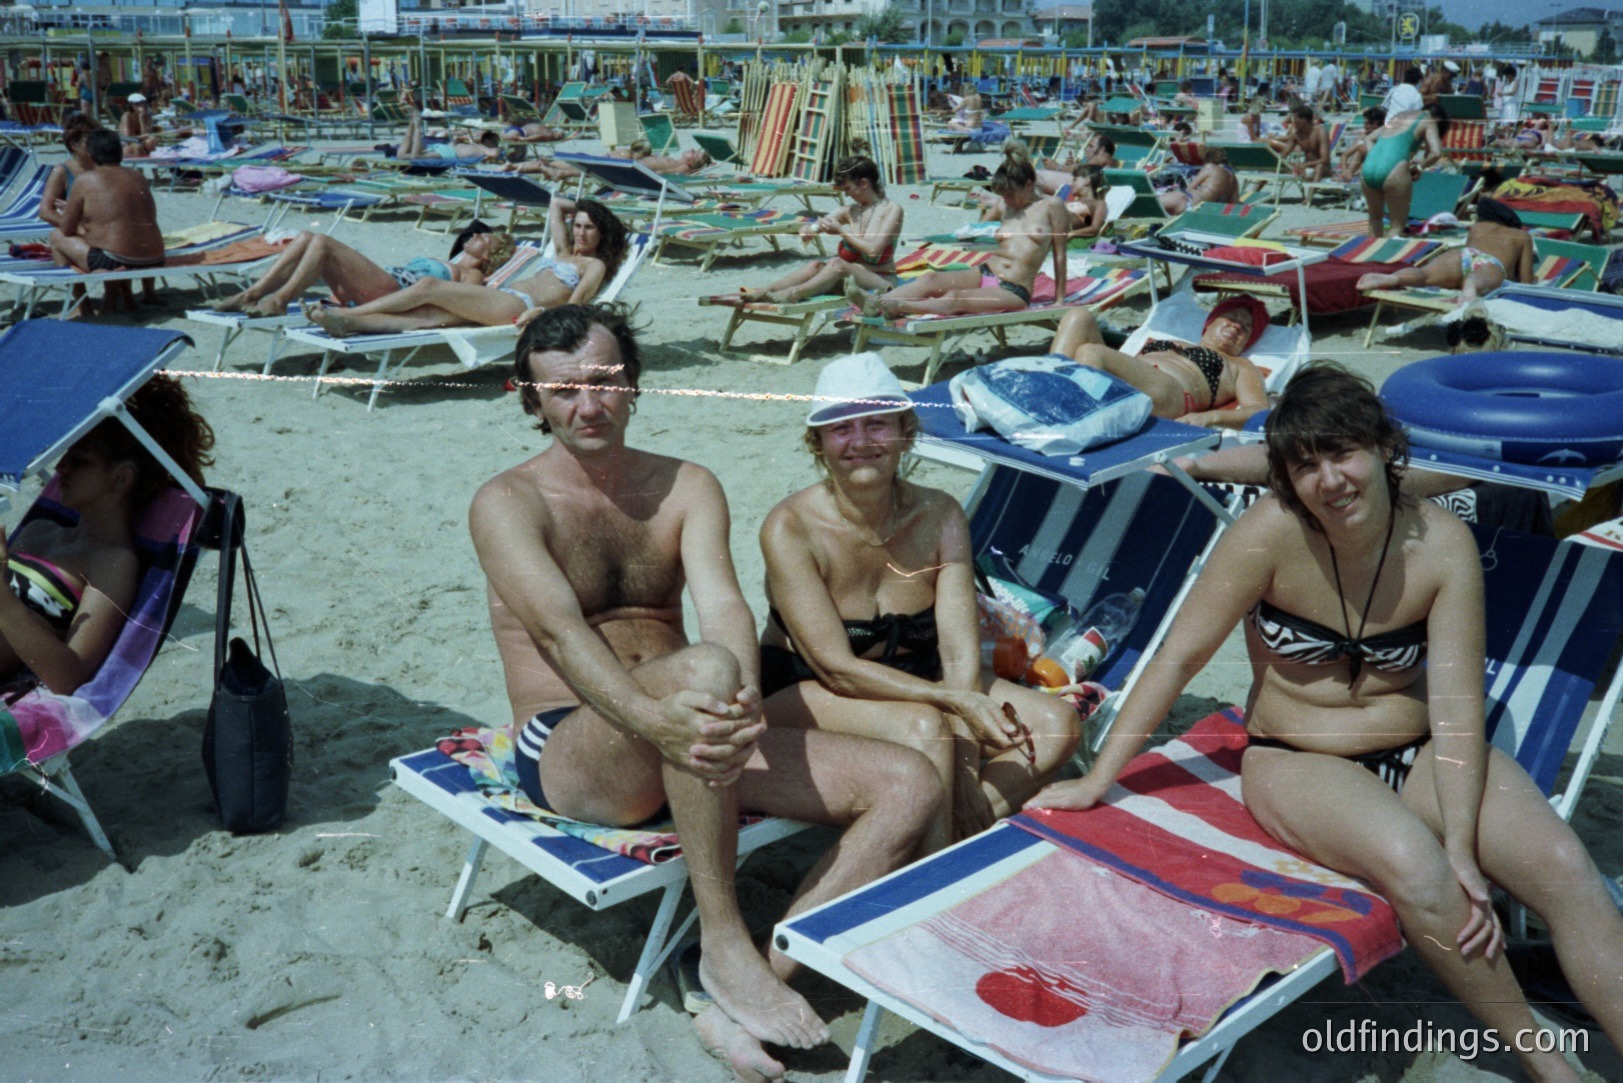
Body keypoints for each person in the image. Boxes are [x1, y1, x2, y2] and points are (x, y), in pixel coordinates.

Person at [1029, 362, 1623, 1083]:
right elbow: (1177, 657)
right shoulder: (1265, 535)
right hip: (1296, 756)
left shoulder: (1439, 543)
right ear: (1283, 476)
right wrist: (1098, 777)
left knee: (1567, 872)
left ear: (1382, 448)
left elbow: (1459, 706)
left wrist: (1467, 846)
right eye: (1304, 465)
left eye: (1342, 452)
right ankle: (1550, 1066)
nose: (1329, 480)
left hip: (1425, 746)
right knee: (1414, 864)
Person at [473, 304, 940, 1080]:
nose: (586, 406)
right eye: (561, 392)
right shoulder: (507, 502)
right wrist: (660, 717)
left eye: (603, 382)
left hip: (695, 733)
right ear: (530, 397)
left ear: (633, 384)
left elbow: (726, 607)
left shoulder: (686, 484)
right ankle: (724, 935)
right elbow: (560, 634)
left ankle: (741, 974)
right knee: (703, 668)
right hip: (576, 747)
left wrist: (741, 704)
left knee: (908, 782)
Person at [759, 354, 1077, 853]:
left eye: (877, 424)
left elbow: (957, 654)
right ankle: (936, 866)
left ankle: (950, 832)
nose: (860, 441)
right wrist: (956, 707)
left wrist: (969, 769)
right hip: (810, 689)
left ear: (906, 434)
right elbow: (837, 669)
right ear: (817, 443)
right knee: (927, 729)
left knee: (1056, 724)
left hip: (927, 679)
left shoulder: (940, 515)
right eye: (840, 428)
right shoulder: (791, 529)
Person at [2, 375, 214, 693]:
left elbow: (69, 676)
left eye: (80, 460)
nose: (61, 468)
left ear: (120, 478)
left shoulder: (112, 563)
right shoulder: (38, 529)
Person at [306, 195, 625, 336]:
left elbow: (575, 306)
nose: (580, 232)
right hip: (501, 298)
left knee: (428, 287)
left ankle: (347, 313)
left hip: (520, 306)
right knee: (425, 318)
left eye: (589, 228)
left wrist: (540, 315)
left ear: (602, 233)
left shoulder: (593, 266)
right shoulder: (562, 251)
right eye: (579, 225)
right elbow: (556, 203)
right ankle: (348, 325)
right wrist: (590, 209)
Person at [858, 143, 1067, 320]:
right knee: (930, 279)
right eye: (1004, 195)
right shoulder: (1004, 205)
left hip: (1014, 288)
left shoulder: (1051, 206)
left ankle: (899, 307)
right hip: (985, 270)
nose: (1007, 199)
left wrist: (1059, 300)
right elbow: (976, 230)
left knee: (955, 298)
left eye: (1011, 194)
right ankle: (876, 303)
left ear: (1029, 185)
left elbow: (1060, 255)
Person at [1048, 295, 1271, 427]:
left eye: (1246, 328)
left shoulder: (1241, 365)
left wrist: (1210, 417)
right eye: (1231, 318)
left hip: (1171, 394)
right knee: (1078, 317)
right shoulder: (1173, 340)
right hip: (1127, 383)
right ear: (1211, 322)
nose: (1236, 327)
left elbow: (1260, 410)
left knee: (1091, 353)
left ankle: (1065, 417)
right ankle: (1046, 388)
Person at [213, 221, 514, 317]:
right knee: (306, 237)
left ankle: (279, 300)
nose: (473, 235)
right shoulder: (452, 263)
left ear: (488, 255)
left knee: (323, 242)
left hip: (392, 294)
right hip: (378, 285)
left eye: (482, 238)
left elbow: (465, 304)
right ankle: (251, 294)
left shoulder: (473, 275)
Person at [738, 156, 901, 304]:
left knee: (837, 264)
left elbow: (873, 251)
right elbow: (817, 225)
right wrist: (807, 231)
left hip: (880, 280)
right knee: (815, 265)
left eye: (848, 188)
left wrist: (841, 232)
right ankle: (767, 290)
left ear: (864, 184)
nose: (846, 194)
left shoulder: (891, 210)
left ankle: (793, 293)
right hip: (849, 279)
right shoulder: (850, 211)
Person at [48, 129, 164, 314]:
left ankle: (83, 307)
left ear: (91, 155)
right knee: (113, 244)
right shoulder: (138, 177)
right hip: (155, 259)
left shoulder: (85, 180)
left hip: (116, 261)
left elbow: (66, 229)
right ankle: (119, 299)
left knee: (56, 237)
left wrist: (77, 216)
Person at [1357, 199, 1532, 303]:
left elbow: (1472, 255)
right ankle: (1472, 286)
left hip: (1462, 255)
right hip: (1489, 263)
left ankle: (1393, 277)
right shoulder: (1521, 236)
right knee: (1478, 277)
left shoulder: (1477, 228)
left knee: (1425, 275)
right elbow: (1526, 283)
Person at [39, 115, 101, 319]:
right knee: (59, 235)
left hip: (101, 229)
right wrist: (73, 225)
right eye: (88, 142)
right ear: (74, 144)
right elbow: (46, 211)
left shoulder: (102, 167)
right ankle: (81, 300)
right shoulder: (62, 171)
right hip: (80, 231)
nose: (95, 146)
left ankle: (116, 298)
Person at [1359, 103, 1449, 238]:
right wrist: (1419, 167)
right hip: (1393, 171)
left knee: (1375, 219)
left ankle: (1372, 256)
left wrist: (1378, 158)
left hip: (1369, 168)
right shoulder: (1428, 120)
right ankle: (1387, 258)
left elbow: (1369, 138)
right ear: (1438, 120)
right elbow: (1436, 153)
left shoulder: (1399, 116)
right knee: (1397, 226)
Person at [1159, 146, 1238, 214]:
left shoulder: (1210, 167)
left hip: (1189, 200)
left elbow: (1190, 188)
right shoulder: (1233, 178)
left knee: (1153, 202)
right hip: (1204, 209)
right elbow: (1234, 202)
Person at [1268, 105, 1331, 182]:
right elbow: (1285, 153)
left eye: (1295, 120)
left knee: (1319, 167)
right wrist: (1276, 161)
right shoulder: (1297, 135)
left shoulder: (1320, 132)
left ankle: (1310, 194)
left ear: (1304, 120)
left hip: (1324, 169)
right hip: (1305, 167)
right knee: (1275, 167)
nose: (1293, 123)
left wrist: (1306, 164)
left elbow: (1325, 159)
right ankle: (1255, 191)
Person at [1335, 107, 1386, 183]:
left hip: (1378, 169)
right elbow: (1344, 156)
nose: (1364, 126)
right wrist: (1345, 172)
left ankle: (1349, 174)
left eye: (1366, 123)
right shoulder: (1364, 135)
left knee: (1361, 148)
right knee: (1360, 147)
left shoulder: (1384, 135)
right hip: (1359, 170)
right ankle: (1348, 175)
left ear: (1375, 124)